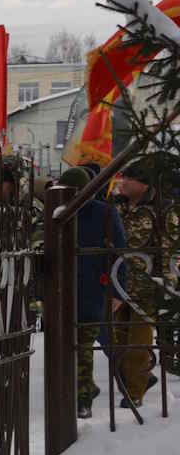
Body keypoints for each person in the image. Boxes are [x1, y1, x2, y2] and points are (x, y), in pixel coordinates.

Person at [59, 167, 127, 418]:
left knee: (84, 345)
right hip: (64, 291)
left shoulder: (104, 213)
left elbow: (119, 254)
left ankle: (82, 400)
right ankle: (84, 389)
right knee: (69, 347)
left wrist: (119, 291)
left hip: (93, 291)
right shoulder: (59, 212)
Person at [113, 156, 168, 407]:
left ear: (143, 184)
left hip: (145, 288)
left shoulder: (160, 209)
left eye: (128, 178)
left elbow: (168, 249)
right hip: (118, 284)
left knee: (138, 342)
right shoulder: (116, 207)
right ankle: (136, 381)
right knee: (118, 339)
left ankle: (134, 393)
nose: (122, 182)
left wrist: (164, 282)